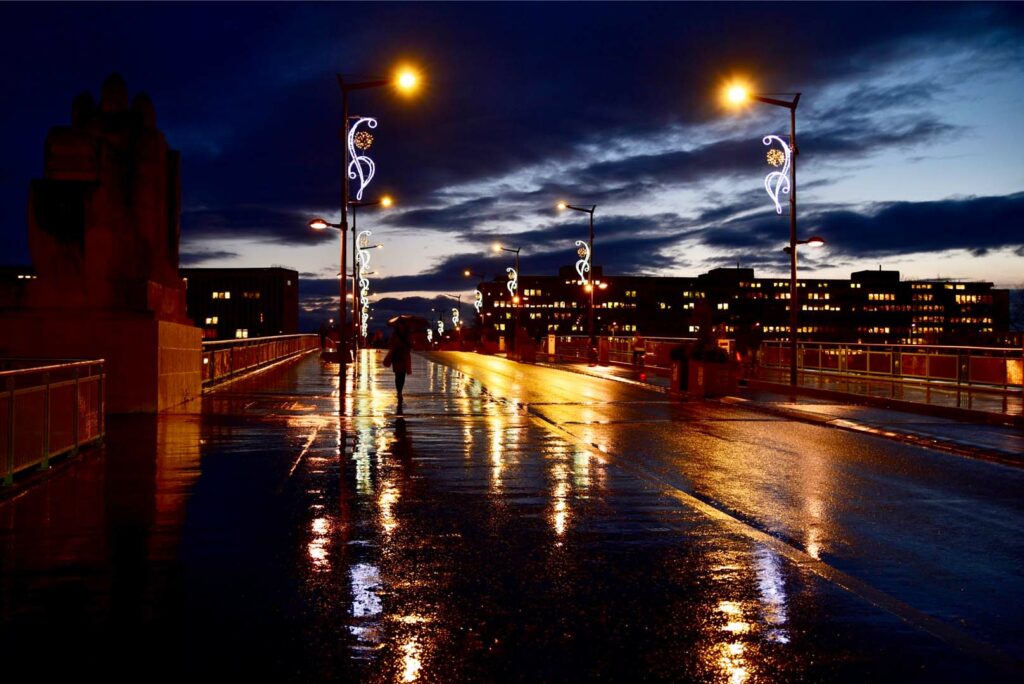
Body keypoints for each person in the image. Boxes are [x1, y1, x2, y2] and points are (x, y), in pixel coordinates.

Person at [385, 319, 414, 410]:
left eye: (402, 325)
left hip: (404, 357)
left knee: (403, 375)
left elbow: (411, 345)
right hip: (397, 357)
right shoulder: (395, 335)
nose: (401, 327)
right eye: (400, 325)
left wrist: (407, 344)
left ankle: (400, 390)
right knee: (398, 375)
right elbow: (390, 343)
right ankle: (399, 392)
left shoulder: (407, 335)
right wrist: (396, 345)